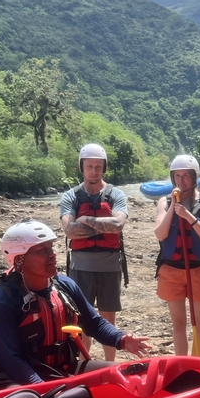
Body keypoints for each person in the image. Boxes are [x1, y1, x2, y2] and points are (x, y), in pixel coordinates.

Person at [0, 220, 150, 385]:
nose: (52, 254)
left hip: (65, 368)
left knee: (124, 377)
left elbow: (94, 323)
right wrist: (41, 387)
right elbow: (11, 359)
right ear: (19, 259)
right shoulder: (1, 302)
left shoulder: (64, 285)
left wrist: (121, 339)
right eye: (42, 250)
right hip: (25, 377)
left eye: (51, 247)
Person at [60, 143, 129, 362]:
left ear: (103, 168)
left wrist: (86, 220)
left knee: (109, 320)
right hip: (80, 267)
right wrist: (102, 224)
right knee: (81, 322)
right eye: (89, 166)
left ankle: (110, 365)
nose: (94, 171)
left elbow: (117, 225)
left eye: (98, 167)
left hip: (109, 266)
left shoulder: (116, 194)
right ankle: (84, 366)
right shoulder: (71, 197)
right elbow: (70, 231)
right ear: (82, 167)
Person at [154, 155, 200, 356]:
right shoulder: (164, 202)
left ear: (194, 178)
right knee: (178, 324)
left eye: (186, 176)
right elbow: (160, 234)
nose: (181, 181)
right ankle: (182, 366)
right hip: (172, 270)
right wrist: (174, 208)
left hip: (199, 269)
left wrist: (189, 216)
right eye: (178, 176)